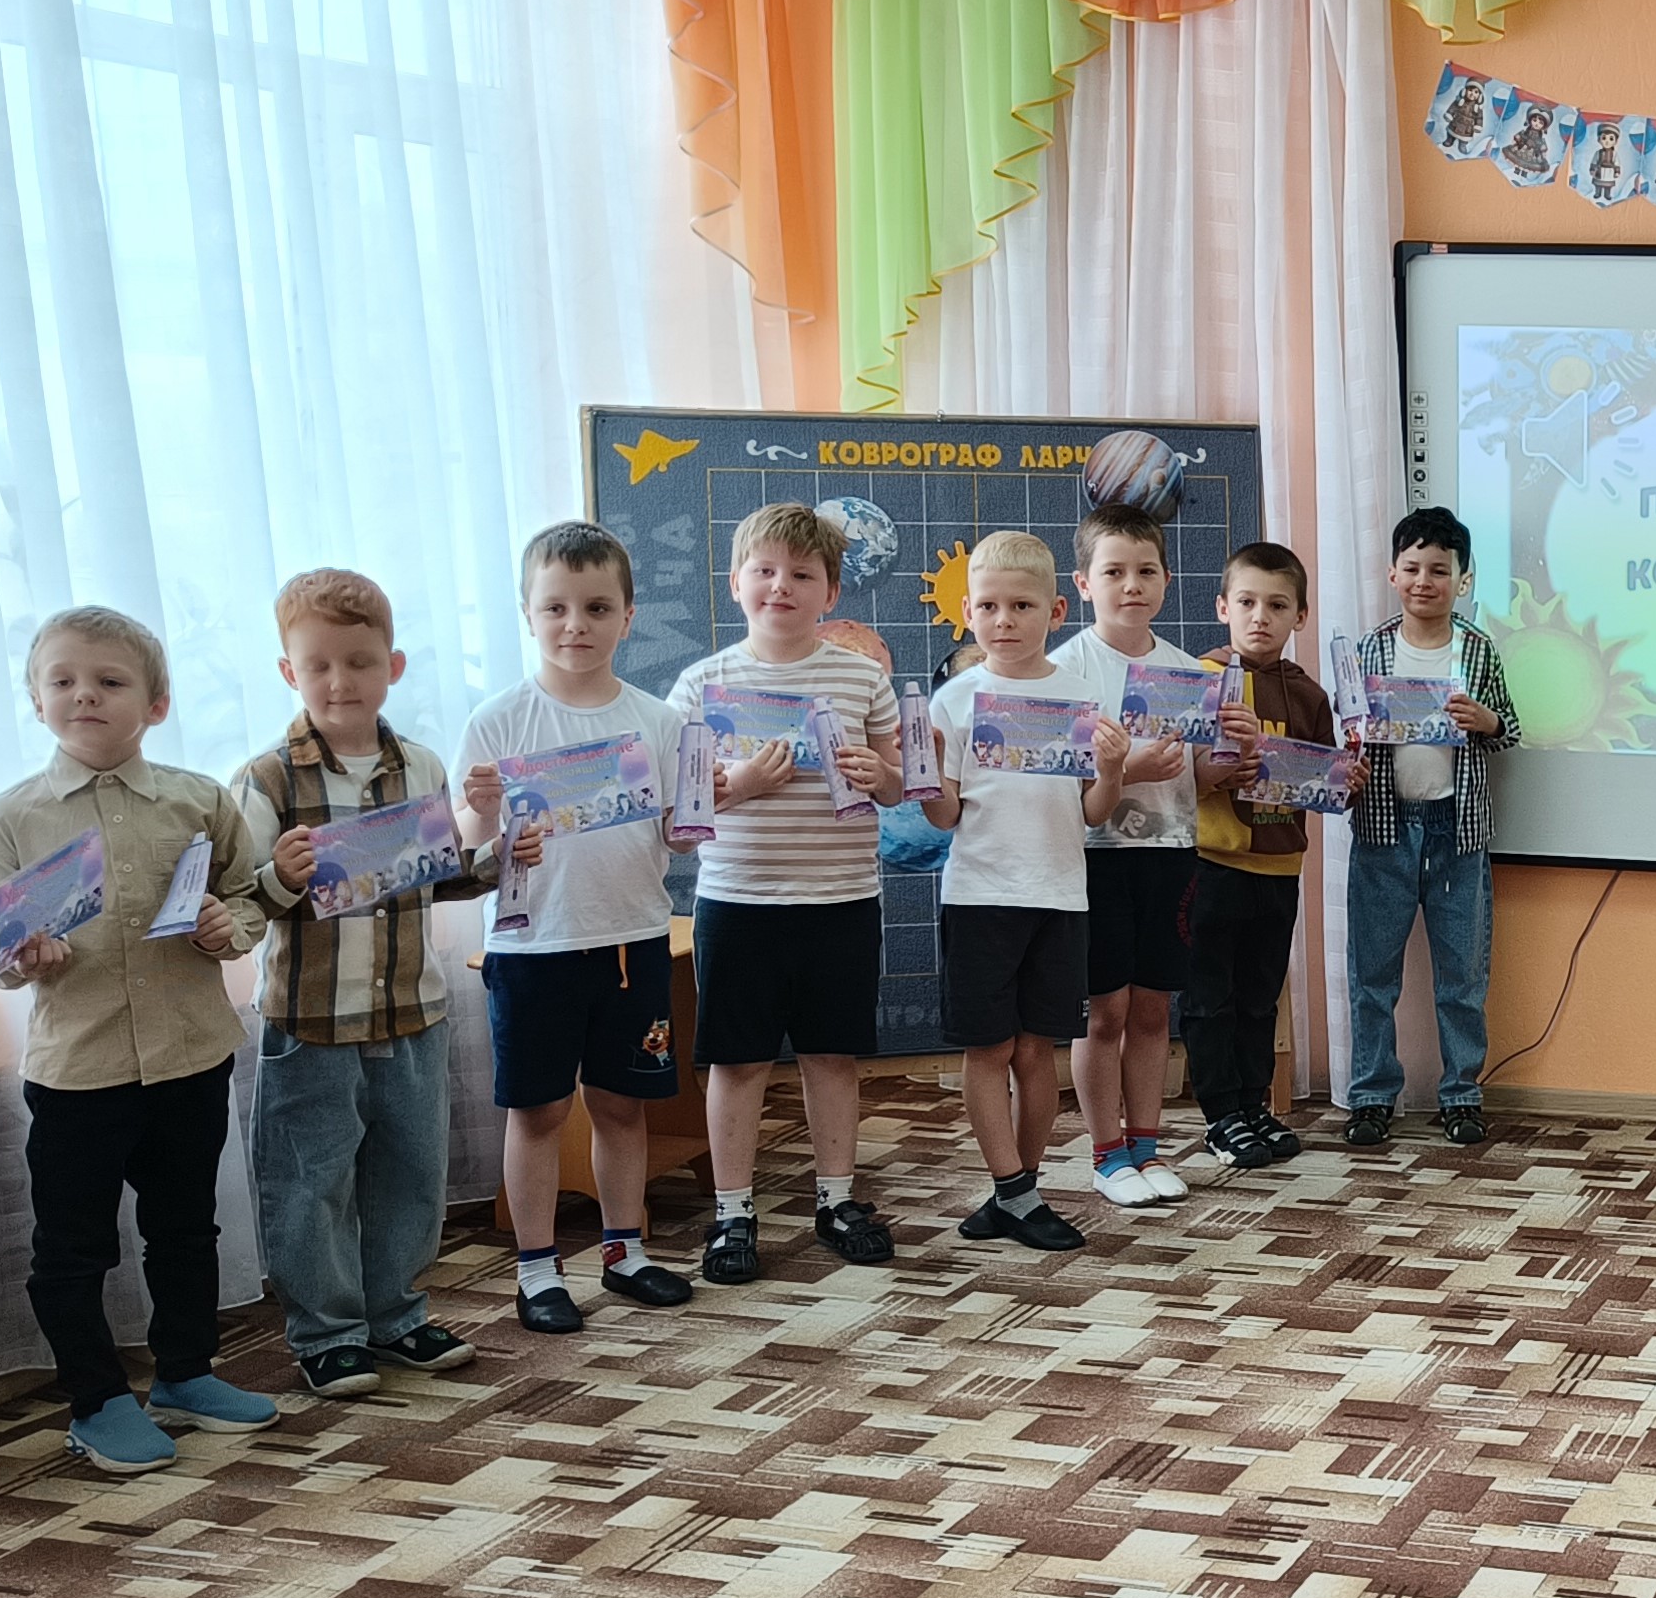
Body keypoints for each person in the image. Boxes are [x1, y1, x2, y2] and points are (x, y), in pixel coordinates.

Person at [0, 608, 271, 1474]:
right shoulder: (12, 817)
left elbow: (247, 896)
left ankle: (185, 1374)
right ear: (36, 700)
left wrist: (229, 927)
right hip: (78, 1072)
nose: (84, 695)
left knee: (186, 1230)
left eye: (109, 681)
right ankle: (96, 1401)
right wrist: (17, 954)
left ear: (156, 704)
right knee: (73, 1248)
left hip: (189, 1056)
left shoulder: (198, 799)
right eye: (62, 681)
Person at [231, 569, 508, 1398]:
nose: (339, 681)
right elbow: (239, 901)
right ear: (289, 672)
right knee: (310, 1182)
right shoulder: (267, 779)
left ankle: (396, 1314)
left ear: (393, 666)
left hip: (411, 1010)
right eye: (318, 665)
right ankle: (327, 1332)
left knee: (410, 1172)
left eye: (358, 662)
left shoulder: (421, 765)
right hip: (312, 1020)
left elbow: (432, 875)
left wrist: (492, 857)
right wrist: (280, 877)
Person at [457, 522, 700, 1336]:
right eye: (555, 608)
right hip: (534, 948)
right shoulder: (499, 720)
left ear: (628, 616)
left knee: (622, 1105)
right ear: (527, 614)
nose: (576, 625)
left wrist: (705, 803)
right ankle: (535, 1269)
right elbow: (467, 848)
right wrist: (483, 814)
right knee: (537, 1113)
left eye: (597, 608)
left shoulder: (657, 721)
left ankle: (624, 1251)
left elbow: (676, 835)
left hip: (632, 940)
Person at [665, 502, 906, 1284]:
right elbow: (674, 816)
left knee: (832, 1058)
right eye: (764, 571)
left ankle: (836, 1201)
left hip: (840, 899)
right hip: (738, 902)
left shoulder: (861, 677)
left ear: (830, 592)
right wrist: (736, 785)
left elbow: (902, 785)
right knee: (736, 1062)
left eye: (802, 574)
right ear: (735, 582)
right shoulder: (701, 684)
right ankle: (733, 1213)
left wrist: (881, 774)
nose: (781, 586)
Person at [920, 531, 1163, 1255]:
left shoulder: (1079, 695)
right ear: (967, 612)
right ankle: (1015, 1192)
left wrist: (1113, 771)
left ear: (1056, 610)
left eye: (1022, 606)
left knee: (1036, 1050)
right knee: (988, 1048)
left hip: (1060, 897)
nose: (1004, 621)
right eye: (989, 607)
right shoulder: (954, 700)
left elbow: (1091, 812)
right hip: (979, 897)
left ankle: (1016, 1190)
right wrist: (928, 775)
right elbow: (945, 817)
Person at [1341, 507, 1521, 1150]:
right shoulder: (1369, 649)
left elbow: (1509, 727)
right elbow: (1347, 732)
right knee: (1372, 974)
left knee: (1462, 976)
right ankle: (1371, 1096)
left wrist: (1485, 720)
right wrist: (1350, 753)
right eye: (1412, 567)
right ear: (1392, 573)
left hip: (1457, 831)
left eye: (1440, 570)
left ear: (1462, 579)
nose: (1425, 581)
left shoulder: (1477, 648)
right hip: (1383, 826)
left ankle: (1462, 1094)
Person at [1052, 502, 1202, 1208]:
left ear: (1167, 580)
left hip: (1172, 854)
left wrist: (1237, 754)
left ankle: (1147, 1146)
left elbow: (1203, 775)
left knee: (1152, 1012)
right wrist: (1126, 770)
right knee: (1103, 1014)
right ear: (1083, 584)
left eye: (1146, 571)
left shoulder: (1188, 673)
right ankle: (1106, 1154)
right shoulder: (1061, 672)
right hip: (1095, 857)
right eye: (1113, 572)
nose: (1131, 585)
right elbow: (1050, 778)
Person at [1186, 543, 1353, 1166]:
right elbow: (1177, 772)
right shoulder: (1200, 679)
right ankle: (1220, 1114)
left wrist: (1347, 781)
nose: (1261, 617)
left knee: (1260, 996)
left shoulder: (1308, 695)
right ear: (1222, 607)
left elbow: (1325, 780)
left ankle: (1254, 1105)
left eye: (1278, 606)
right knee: (1210, 997)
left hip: (1280, 867)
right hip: (1211, 864)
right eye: (1248, 602)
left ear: (1299, 616)